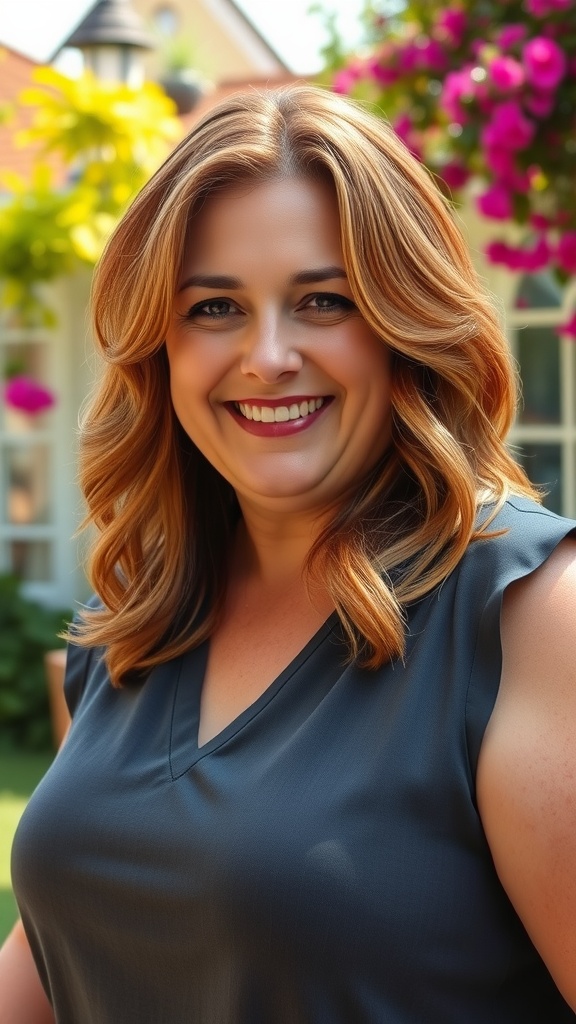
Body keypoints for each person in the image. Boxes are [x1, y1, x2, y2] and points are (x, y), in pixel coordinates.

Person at [1, 83, 575, 1024]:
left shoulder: (528, 621)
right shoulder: (132, 628)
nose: (267, 356)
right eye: (215, 308)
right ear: (162, 349)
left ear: (405, 327)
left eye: (323, 300)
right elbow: (73, 944)